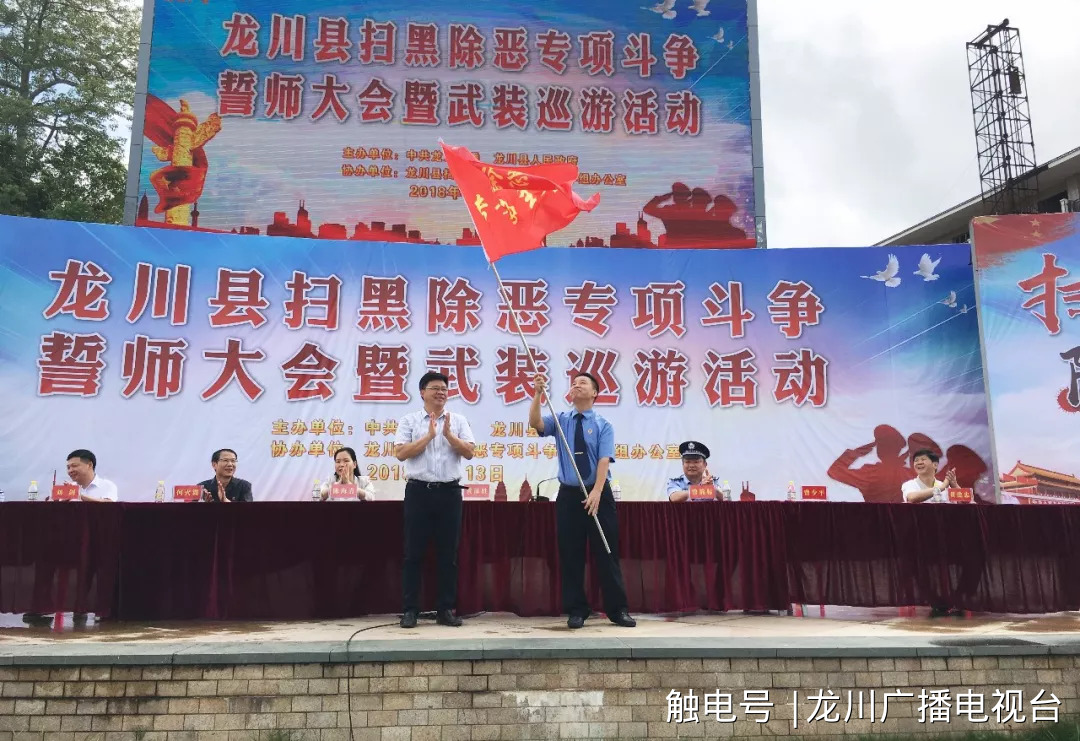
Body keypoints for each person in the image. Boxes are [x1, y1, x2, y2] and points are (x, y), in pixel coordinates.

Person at [529, 371, 635, 630]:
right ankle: (577, 609)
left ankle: (617, 610)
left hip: (598, 492)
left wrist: (597, 491)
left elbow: (604, 459)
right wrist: (538, 394)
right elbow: (536, 424)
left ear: (595, 393)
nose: (576, 385)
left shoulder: (602, 424)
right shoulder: (561, 419)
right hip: (569, 494)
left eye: (582, 383)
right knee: (571, 554)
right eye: (574, 383)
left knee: (606, 552)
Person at [394, 371, 475, 629]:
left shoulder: (458, 420)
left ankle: (445, 609)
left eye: (444, 389)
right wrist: (429, 436)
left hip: (449, 493)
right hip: (418, 492)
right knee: (413, 553)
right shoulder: (409, 420)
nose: (441, 392)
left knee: (448, 554)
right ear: (422, 392)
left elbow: (469, 452)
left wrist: (448, 435)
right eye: (435, 388)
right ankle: (410, 610)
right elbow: (401, 453)